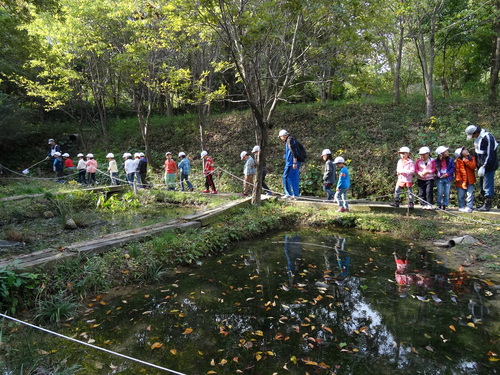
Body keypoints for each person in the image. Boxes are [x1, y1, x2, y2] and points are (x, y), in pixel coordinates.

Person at [465, 125, 498, 211]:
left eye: (473, 135)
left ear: (476, 133)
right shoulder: (478, 139)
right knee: (482, 185)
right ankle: (484, 203)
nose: (472, 137)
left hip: (488, 166)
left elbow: (490, 154)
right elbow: (478, 153)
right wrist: (477, 165)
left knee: (487, 185)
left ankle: (488, 204)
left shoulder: (488, 137)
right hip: (481, 166)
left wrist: (484, 166)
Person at [278, 129, 301, 198]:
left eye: (280, 137)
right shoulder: (293, 140)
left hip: (291, 163)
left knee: (285, 177)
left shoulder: (289, 141)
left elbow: (293, 152)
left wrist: (294, 162)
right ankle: (296, 195)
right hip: (297, 162)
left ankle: (288, 193)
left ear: (283, 136)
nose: (281, 138)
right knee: (294, 178)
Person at [454, 147, 476, 213]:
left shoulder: (472, 158)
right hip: (461, 181)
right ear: (460, 154)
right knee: (461, 195)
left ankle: (469, 207)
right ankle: (461, 206)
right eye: (463, 151)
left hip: (470, 180)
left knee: (470, 195)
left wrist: (466, 161)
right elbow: (457, 171)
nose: (466, 150)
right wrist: (458, 179)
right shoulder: (458, 161)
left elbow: (473, 166)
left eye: (465, 149)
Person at [435, 146, 455, 210]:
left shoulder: (450, 160)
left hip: (448, 178)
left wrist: (447, 174)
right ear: (441, 153)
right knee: (439, 192)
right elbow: (435, 169)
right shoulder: (437, 161)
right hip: (440, 178)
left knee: (446, 192)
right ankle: (439, 204)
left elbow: (453, 168)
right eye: (446, 151)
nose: (448, 152)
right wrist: (438, 174)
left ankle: (445, 205)